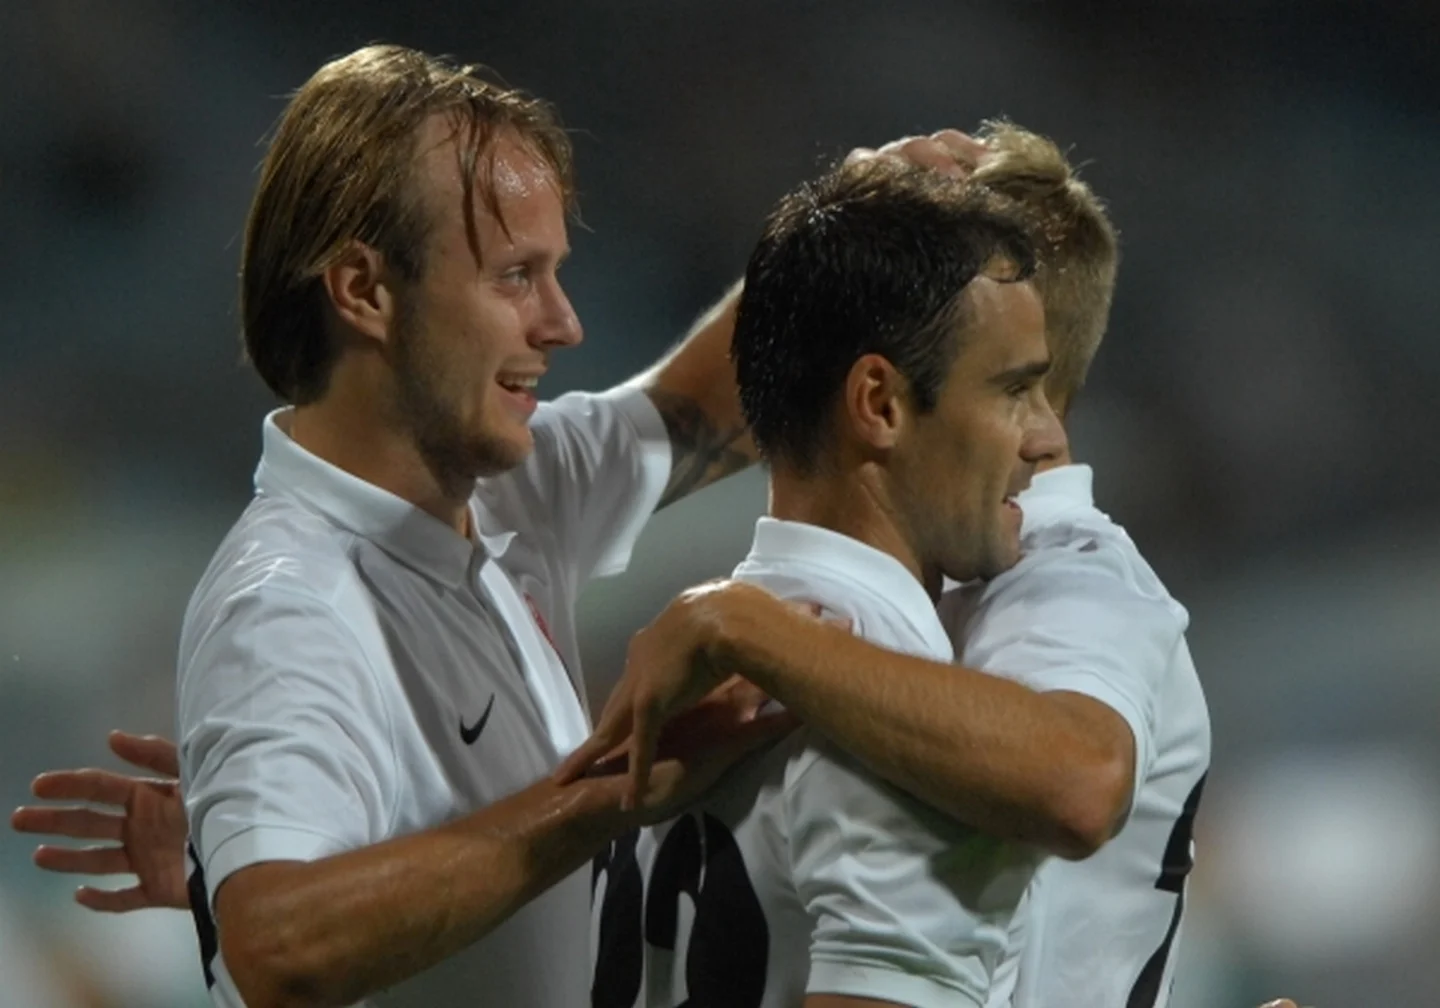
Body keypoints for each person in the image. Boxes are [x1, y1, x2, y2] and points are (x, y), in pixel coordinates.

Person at [590, 157, 1064, 1008]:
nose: (1046, 436)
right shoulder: (897, 724)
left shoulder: (701, 683)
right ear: (879, 403)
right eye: (1015, 390)